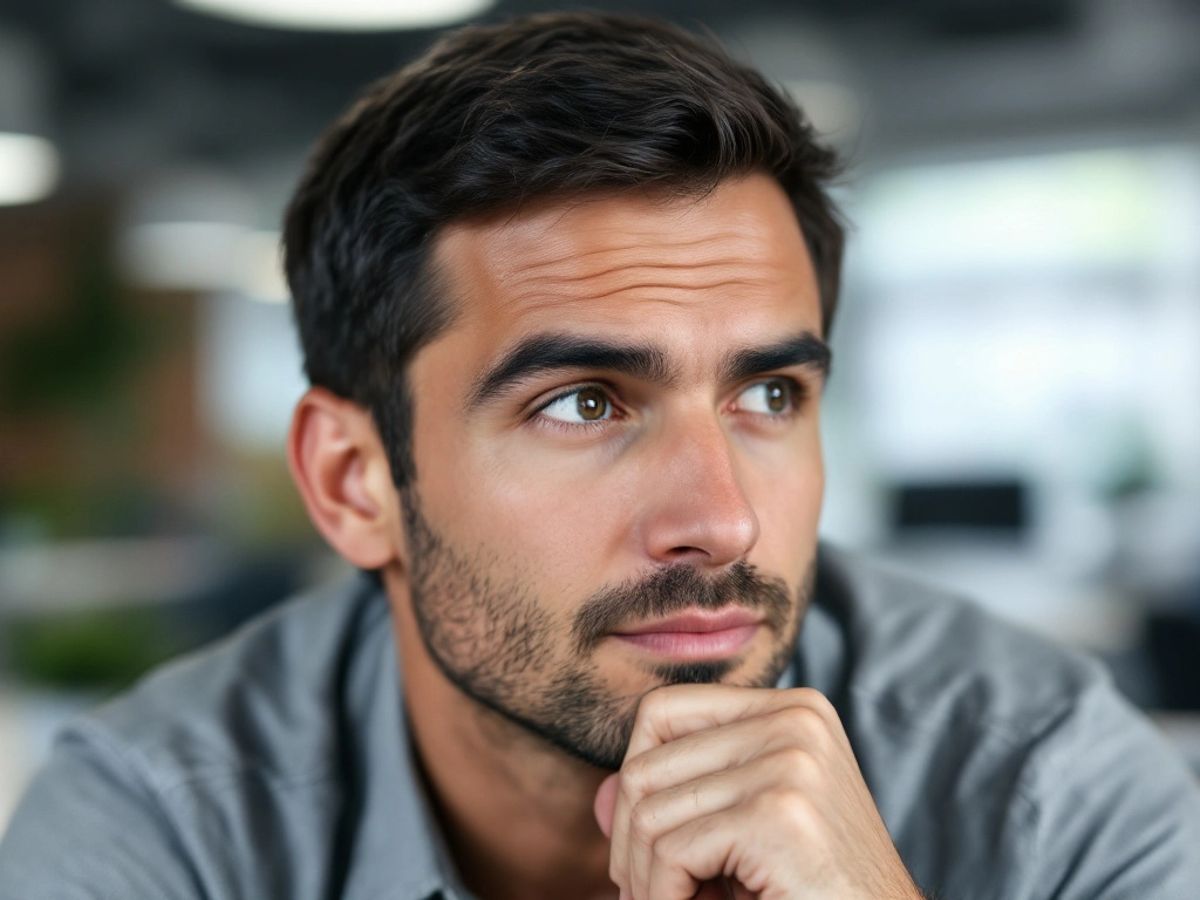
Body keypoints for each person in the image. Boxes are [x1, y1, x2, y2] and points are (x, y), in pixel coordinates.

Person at [1, 11, 1198, 900]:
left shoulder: (1044, 777)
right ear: (352, 481)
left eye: (769, 392)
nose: (720, 521)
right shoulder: (161, 827)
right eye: (582, 404)